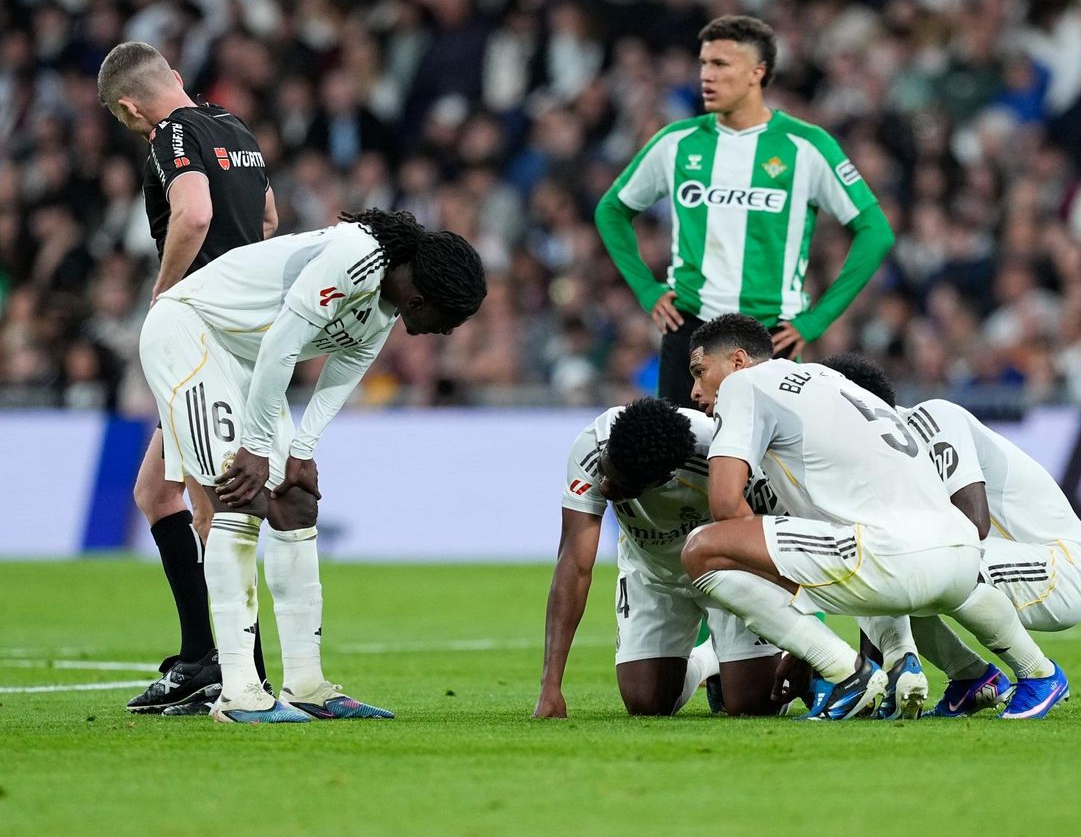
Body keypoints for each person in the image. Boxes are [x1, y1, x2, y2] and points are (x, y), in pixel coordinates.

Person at [139, 208, 486, 722]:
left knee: (296, 503)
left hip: (248, 360)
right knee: (237, 495)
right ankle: (238, 692)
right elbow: (283, 343)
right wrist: (256, 447)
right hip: (192, 332)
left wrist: (303, 449)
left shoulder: (387, 304)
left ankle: (305, 683)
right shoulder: (356, 256)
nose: (447, 332)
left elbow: (347, 365)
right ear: (421, 299)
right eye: (449, 320)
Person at [678, 313, 1071, 720]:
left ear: (738, 362)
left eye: (700, 372)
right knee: (848, 541)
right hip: (963, 559)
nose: (694, 390)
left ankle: (844, 673)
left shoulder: (743, 387)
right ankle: (1037, 672)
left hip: (889, 559)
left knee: (703, 550)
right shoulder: (828, 379)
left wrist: (785, 604)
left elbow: (725, 505)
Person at [97, 40, 280, 717]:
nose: (138, 132)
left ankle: (245, 671)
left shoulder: (171, 134)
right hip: (239, 331)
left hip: (204, 334)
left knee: (208, 502)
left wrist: (165, 294)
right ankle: (205, 655)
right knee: (157, 491)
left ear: (129, 105)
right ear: (175, 76)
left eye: (129, 123)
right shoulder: (233, 127)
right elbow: (267, 219)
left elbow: (195, 213)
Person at [595, 15, 895, 406]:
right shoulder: (677, 142)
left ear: (757, 72)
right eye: (703, 63)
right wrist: (647, 289)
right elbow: (611, 210)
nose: (706, 75)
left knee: (766, 466)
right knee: (683, 464)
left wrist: (817, 320)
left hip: (770, 336)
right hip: (690, 330)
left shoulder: (805, 145)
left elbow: (876, 231)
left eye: (721, 64)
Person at [819, 353, 1081, 717]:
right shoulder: (875, 460)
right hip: (999, 560)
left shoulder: (932, 418)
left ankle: (1040, 674)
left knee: (929, 562)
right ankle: (969, 676)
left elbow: (975, 522)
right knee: (881, 569)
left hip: (1062, 567)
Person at [533, 397, 782, 719]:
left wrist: (801, 642)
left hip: (730, 574)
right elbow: (575, 565)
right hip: (653, 573)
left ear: (665, 477)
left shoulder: (721, 457)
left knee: (755, 705)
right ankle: (709, 660)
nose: (606, 487)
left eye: (624, 486)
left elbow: (777, 536)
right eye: (608, 472)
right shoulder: (593, 444)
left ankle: (740, 661)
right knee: (646, 703)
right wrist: (550, 685)